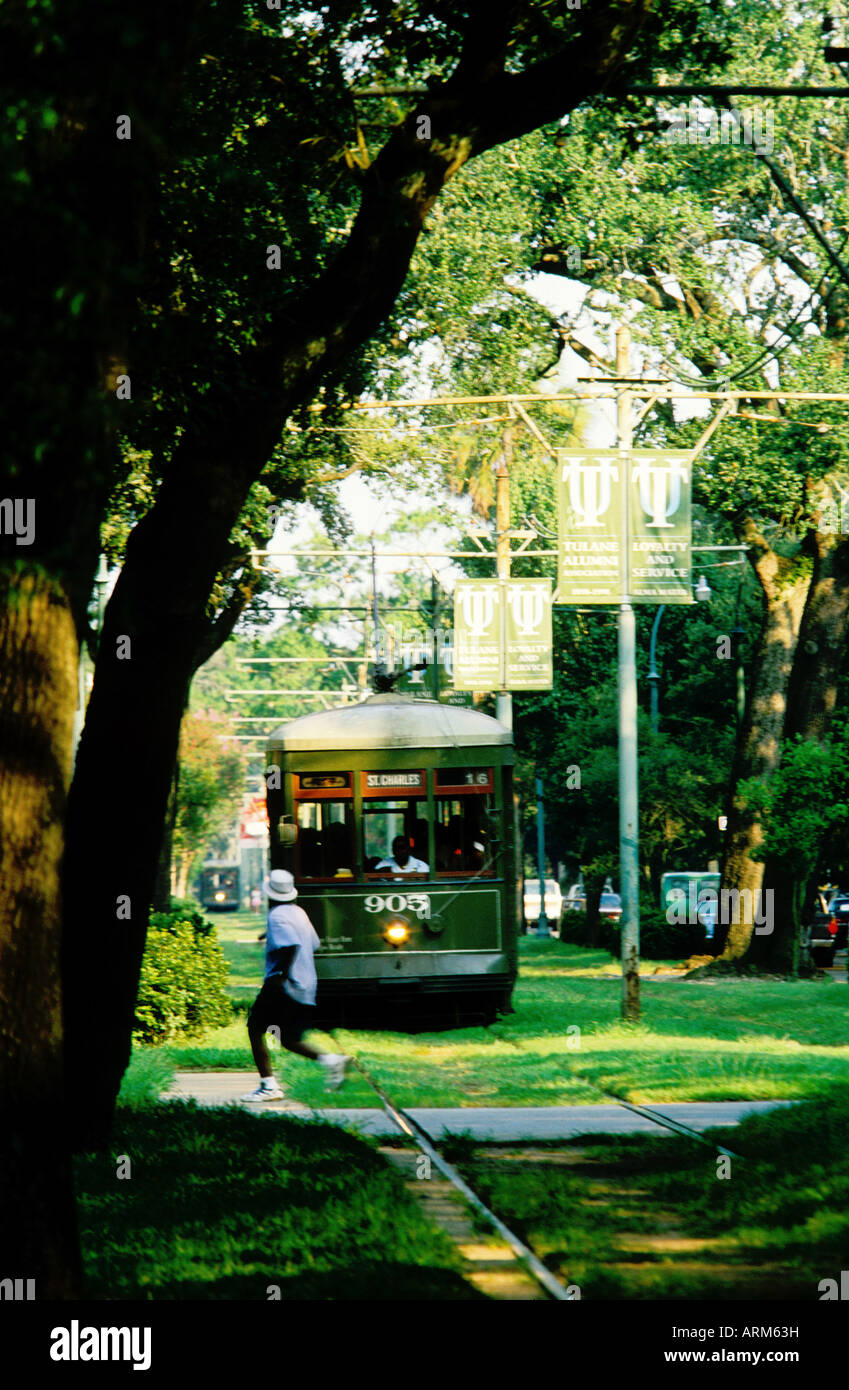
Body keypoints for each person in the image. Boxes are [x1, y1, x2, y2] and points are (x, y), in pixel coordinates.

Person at [241, 869, 350, 1102]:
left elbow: (291, 945)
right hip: (305, 983)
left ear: (271, 893)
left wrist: (281, 974)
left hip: (283, 983)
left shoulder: (276, 915)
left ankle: (269, 1086)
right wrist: (268, 936)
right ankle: (333, 1060)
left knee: (255, 1029)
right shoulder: (298, 912)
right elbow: (313, 942)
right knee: (289, 1039)